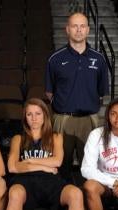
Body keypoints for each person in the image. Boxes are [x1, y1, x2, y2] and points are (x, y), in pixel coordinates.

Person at [4, 98, 91, 210]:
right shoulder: (18, 139)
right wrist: (43, 166)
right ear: (24, 117)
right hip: (25, 183)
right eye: (29, 114)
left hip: (51, 184)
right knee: (14, 193)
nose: (34, 118)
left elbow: (57, 161)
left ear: (45, 116)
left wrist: (27, 161)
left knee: (75, 194)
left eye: (38, 114)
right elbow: (12, 167)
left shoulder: (56, 137)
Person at [45, 12, 109, 182]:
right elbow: (49, 92)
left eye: (82, 26)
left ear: (88, 30)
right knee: (60, 165)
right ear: (67, 29)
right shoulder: (55, 59)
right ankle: (63, 204)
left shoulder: (99, 59)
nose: (78, 30)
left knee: (90, 167)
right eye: (74, 26)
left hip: (90, 120)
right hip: (63, 118)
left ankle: (87, 204)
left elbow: (102, 92)